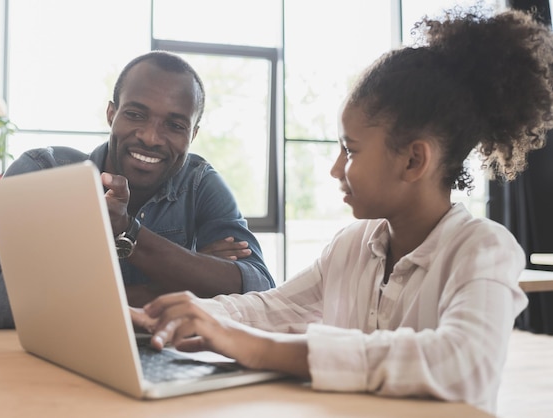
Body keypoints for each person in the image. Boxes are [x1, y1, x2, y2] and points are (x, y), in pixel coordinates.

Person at [130, 8, 553, 415]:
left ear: (413, 161)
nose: (336, 168)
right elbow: (272, 309)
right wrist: (174, 315)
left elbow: (460, 361)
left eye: (349, 150)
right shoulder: (352, 245)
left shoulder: (483, 248)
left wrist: (258, 348)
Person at [0, 51, 275, 329]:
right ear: (112, 113)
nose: (151, 137)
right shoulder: (44, 171)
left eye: (175, 125)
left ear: (193, 133)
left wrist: (128, 234)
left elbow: (261, 293)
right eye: (136, 114)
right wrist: (177, 283)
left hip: (164, 364)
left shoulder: (199, 183)